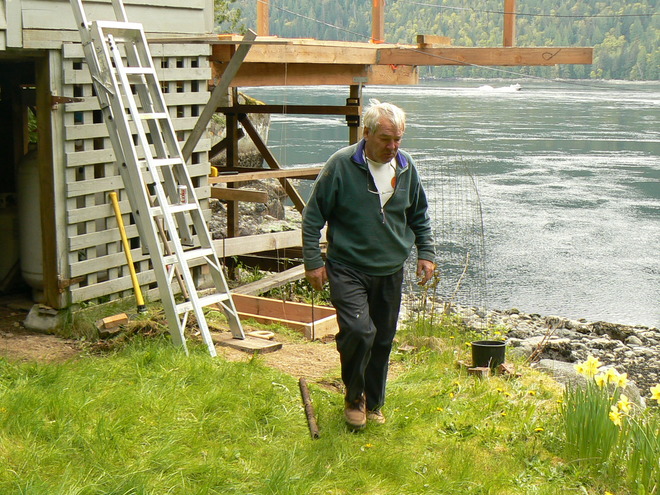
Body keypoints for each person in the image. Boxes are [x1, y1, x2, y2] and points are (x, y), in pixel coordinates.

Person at [302, 99, 436, 430]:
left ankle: (374, 403)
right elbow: (312, 215)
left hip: (390, 268)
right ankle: (354, 398)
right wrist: (313, 261)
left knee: (383, 339)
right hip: (347, 266)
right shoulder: (341, 165)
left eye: (398, 139)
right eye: (385, 139)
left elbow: (419, 214)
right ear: (367, 133)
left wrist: (426, 253)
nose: (392, 147)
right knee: (359, 332)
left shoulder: (406, 167)